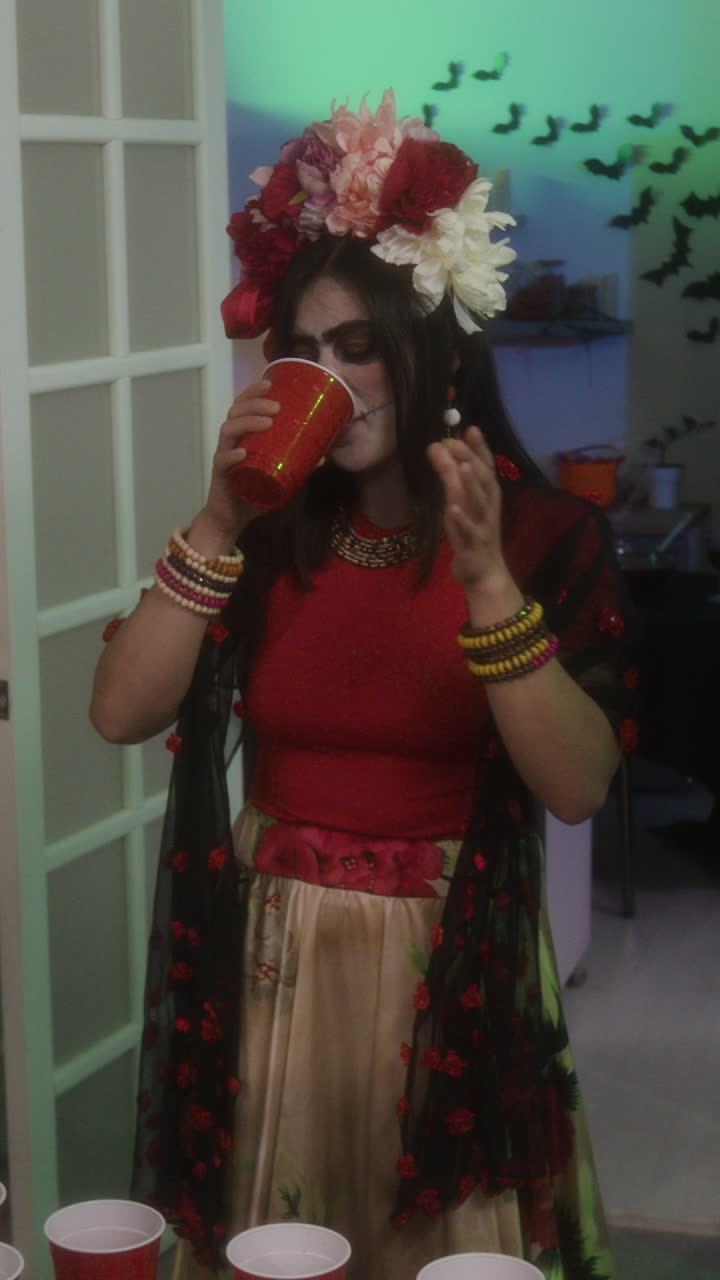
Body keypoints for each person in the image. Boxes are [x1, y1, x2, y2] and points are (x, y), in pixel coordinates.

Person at [90, 91, 636, 1280]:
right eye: (301, 348)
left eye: (357, 346)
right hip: (274, 959)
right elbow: (120, 711)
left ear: (433, 348)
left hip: (446, 962)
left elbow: (579, 783)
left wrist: (490, 586)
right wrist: (223, 511)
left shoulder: (543, 533)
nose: (325, 375)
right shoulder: (271, 532)